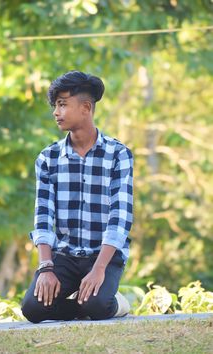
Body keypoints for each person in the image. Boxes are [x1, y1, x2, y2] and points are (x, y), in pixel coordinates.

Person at [21, 71, 133, 323]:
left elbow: (120, 218)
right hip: (65, 256)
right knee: (33, 309)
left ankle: (113, 302)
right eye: (55, 105)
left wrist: (99, 269)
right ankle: (91, 303)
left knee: (96, 305)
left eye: (62, 104)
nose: (55, 112)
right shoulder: (47, 158)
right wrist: (46, 267)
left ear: (85, 107)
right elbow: (42, 216)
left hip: (103, 255)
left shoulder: (118, 155)